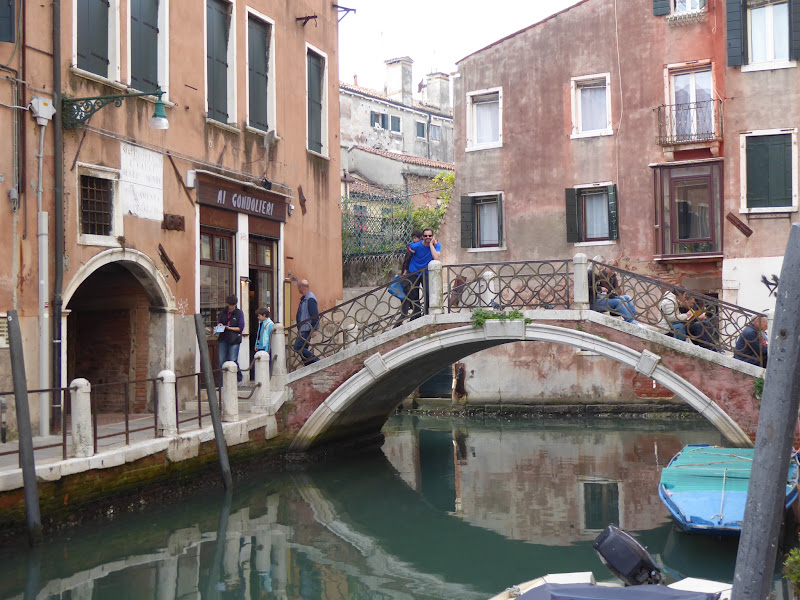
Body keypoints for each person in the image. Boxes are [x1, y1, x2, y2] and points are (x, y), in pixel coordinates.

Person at [406, 228, 441, 320]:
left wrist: (431, 245)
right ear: (422, 237)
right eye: (425, 236)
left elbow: (436, 257)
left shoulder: (436, 245)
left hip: (426, 273)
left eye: (430, 236)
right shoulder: (417, 245)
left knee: (428, 293)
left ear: (432, 236)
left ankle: (427, 314)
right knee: (413, 294)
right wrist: (410, 250)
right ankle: (416, 315)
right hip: (414, 272)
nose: (428, 237)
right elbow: (409, 246)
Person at [588, 257, 636, 322]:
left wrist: (615, 291)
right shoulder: (600, 274)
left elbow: (618, 289)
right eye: (611, 269)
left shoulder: (612, 276)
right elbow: (589, 287)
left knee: (627, 298)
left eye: (614, 270)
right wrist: (601, 288)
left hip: (609, 296)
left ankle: (633, 318)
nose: (613, 271)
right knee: (620, 301)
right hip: (598, 299)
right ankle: (630, 320)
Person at [217, 294, 245, 384]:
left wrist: (229, 328)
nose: (230, 307)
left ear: (235, 304)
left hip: (234, 340)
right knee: (221, 361)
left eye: (232, 306)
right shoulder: (223, 312)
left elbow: (240, 328)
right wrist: (220, 325)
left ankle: (238, 379)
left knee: (233, 360)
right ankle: (222, 383)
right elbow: (219, 322)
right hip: (223, 338)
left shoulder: (239, 313)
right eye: (229, 305)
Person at [396, 230, 422, 324]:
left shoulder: (417, 248)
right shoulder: (412, 248)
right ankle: (414, 314)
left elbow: (407, 261)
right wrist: (405, 272)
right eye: (413, 238)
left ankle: (416, 314)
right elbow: (407, 261)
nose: (414, 240)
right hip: (410, 275)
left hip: (413, 274)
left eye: (416, 238)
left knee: (412, 295)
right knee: (410, 295)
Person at [293, 279, 320, 365]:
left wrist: (313, 330)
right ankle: (309, 365)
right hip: (303, 328)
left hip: (307, 329)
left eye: (298, 287)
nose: (298, 289)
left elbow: (315, 316)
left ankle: (318, 361)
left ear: (302, 287)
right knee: (303, 350)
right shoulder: (304, 299)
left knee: (298, 347)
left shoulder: (310, 299)